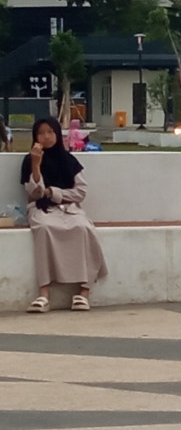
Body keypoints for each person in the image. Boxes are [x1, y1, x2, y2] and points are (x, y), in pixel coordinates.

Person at [20, 116, 108, 313]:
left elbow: (80, 192)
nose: (46, 137)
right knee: (44, 229)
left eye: (50, 132)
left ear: (58, 134)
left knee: (84, 228)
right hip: (42, 208)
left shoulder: (69, 160)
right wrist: (36, 164)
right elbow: (35, 192)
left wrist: (54, 192)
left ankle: (84, 291)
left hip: (69, 208)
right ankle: (43, 293)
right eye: (41, 133)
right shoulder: (29, 160)